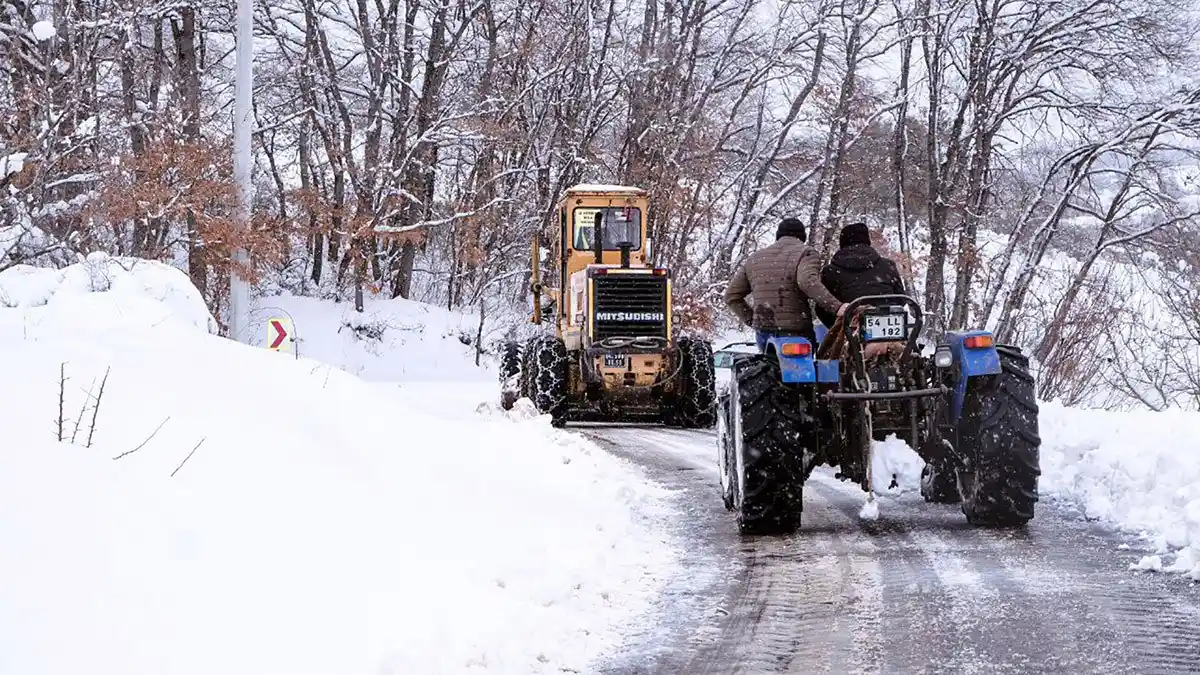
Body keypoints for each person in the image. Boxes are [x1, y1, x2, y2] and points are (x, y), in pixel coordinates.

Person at [723, 217, 848, 353]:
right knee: (802, 373)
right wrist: (837, 307)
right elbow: (807, 282)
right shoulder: (805, 253)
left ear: (778, 235)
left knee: (768, 371)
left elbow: (731, 296)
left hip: (764, 332)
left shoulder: (755, 258)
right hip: (795, 333)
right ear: (803, 237)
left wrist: (753, 320)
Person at [813, 222, 907, 329]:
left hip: (849, 329)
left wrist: (838, 327)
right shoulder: (888, 266)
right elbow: (901, 299)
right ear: (867, 241)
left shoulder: (830, 271)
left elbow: (822, 308)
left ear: (842, 242)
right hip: (887, 327)